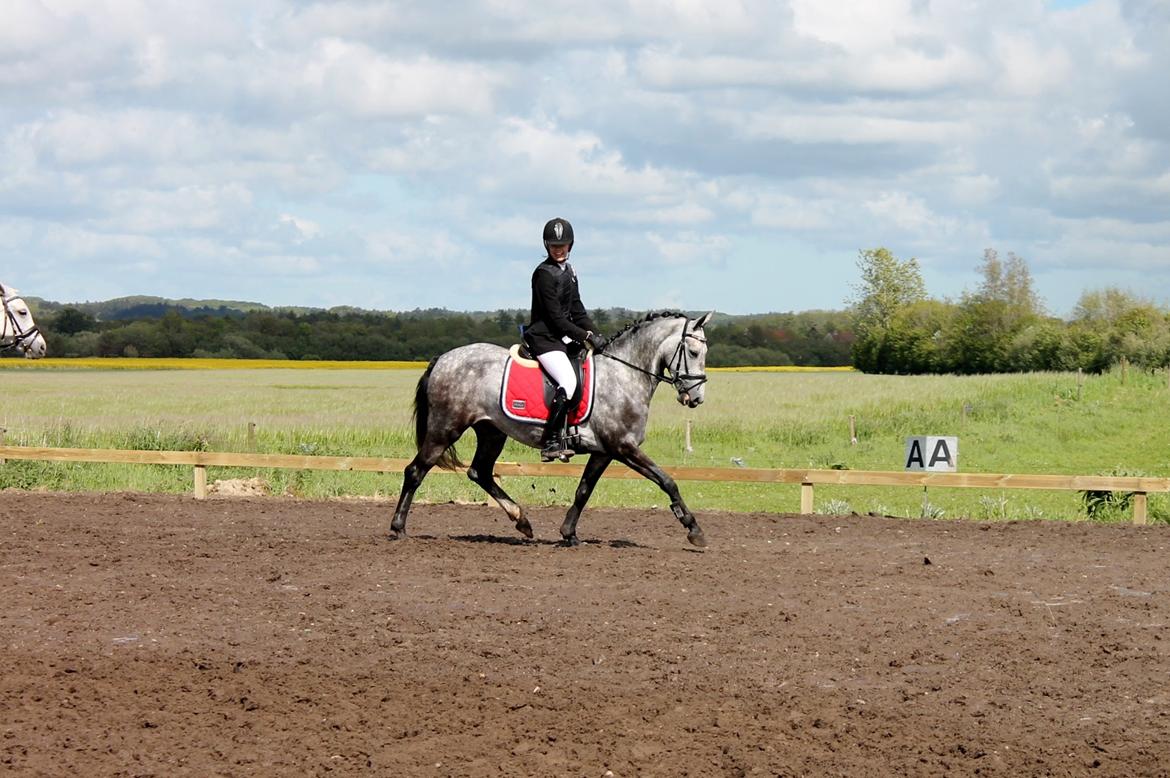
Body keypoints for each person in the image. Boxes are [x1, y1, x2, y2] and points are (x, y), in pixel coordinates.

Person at [525, 217, 608, 461]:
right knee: (568, 382)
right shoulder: (543, 274)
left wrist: (596, 333)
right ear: (546, 246)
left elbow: (577, 309)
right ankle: (550, 441)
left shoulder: (570, 271)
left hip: (562, 338)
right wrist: (585, 336)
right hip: (545, 339)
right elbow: (555, 319)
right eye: (553, 246)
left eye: (562, 245)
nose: (558, 249)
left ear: (570, 245)